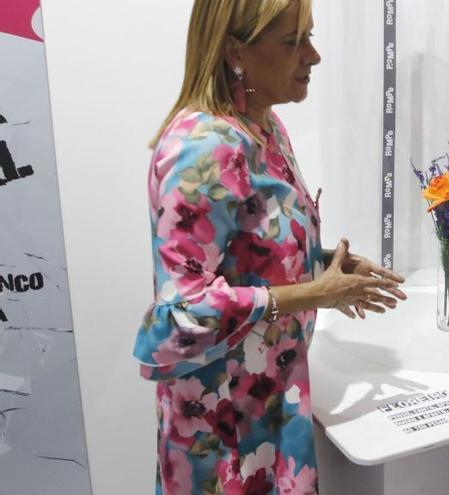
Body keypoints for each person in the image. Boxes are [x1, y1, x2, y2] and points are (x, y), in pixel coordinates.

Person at [132, 1, 406, 493]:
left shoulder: (265, 128)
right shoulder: (204, 146)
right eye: (292, 42)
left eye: (310, 36)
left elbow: (250, 250)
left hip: (270, 405)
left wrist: (321, 263)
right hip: (223, 426)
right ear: (236, 50)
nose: (314, 56)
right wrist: (315, 294)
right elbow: (183, 309)